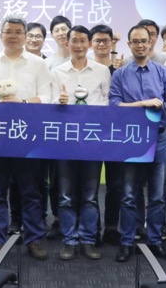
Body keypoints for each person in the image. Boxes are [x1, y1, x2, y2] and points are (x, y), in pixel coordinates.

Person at [0, 16, 53, 262]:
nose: (13, 36)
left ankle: (34, 238)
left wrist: (23, 102)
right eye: (9, 31)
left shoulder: (38, 63)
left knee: (30, 191)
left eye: (19, 32)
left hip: (27, 134)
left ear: (25, 36)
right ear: (1, 35)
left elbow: (47, 96)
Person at [111, 25, 166, 263]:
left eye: (144, 41)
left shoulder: (162, 71)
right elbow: (114, 106)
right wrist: (144, 103)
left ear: (151, 43)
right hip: (131, 138)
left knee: (158, 194)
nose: (140, 45)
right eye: (135, 41)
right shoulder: (120, 74)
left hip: (158, 136)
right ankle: (127, 242)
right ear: (129, 44)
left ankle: (155, 241)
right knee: (129, 195)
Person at [51, 25, 111, 261]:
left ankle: (87, 240)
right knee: (66, 195)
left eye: (82, 40)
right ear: (67, 44)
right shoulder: (57, 72)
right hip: (65, 140)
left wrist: (90, 114)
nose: (78, 45)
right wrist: (58, 101)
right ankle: (69, 240)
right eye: (74, 40)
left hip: (92, 140)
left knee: (90, 195)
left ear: (89, 44)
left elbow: (107, 102)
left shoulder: (102, 71)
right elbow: (48, 104)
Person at [89, 24, 124, 243]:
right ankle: (92, 230)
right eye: (97, 40)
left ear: (112, 43)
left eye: (105, 40)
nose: (102, 44)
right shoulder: (86, 69)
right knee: (90, 187)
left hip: (116, 135)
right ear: (91, 43)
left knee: (116, 185)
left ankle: (111, 228)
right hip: (90, 134)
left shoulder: (120, 71)